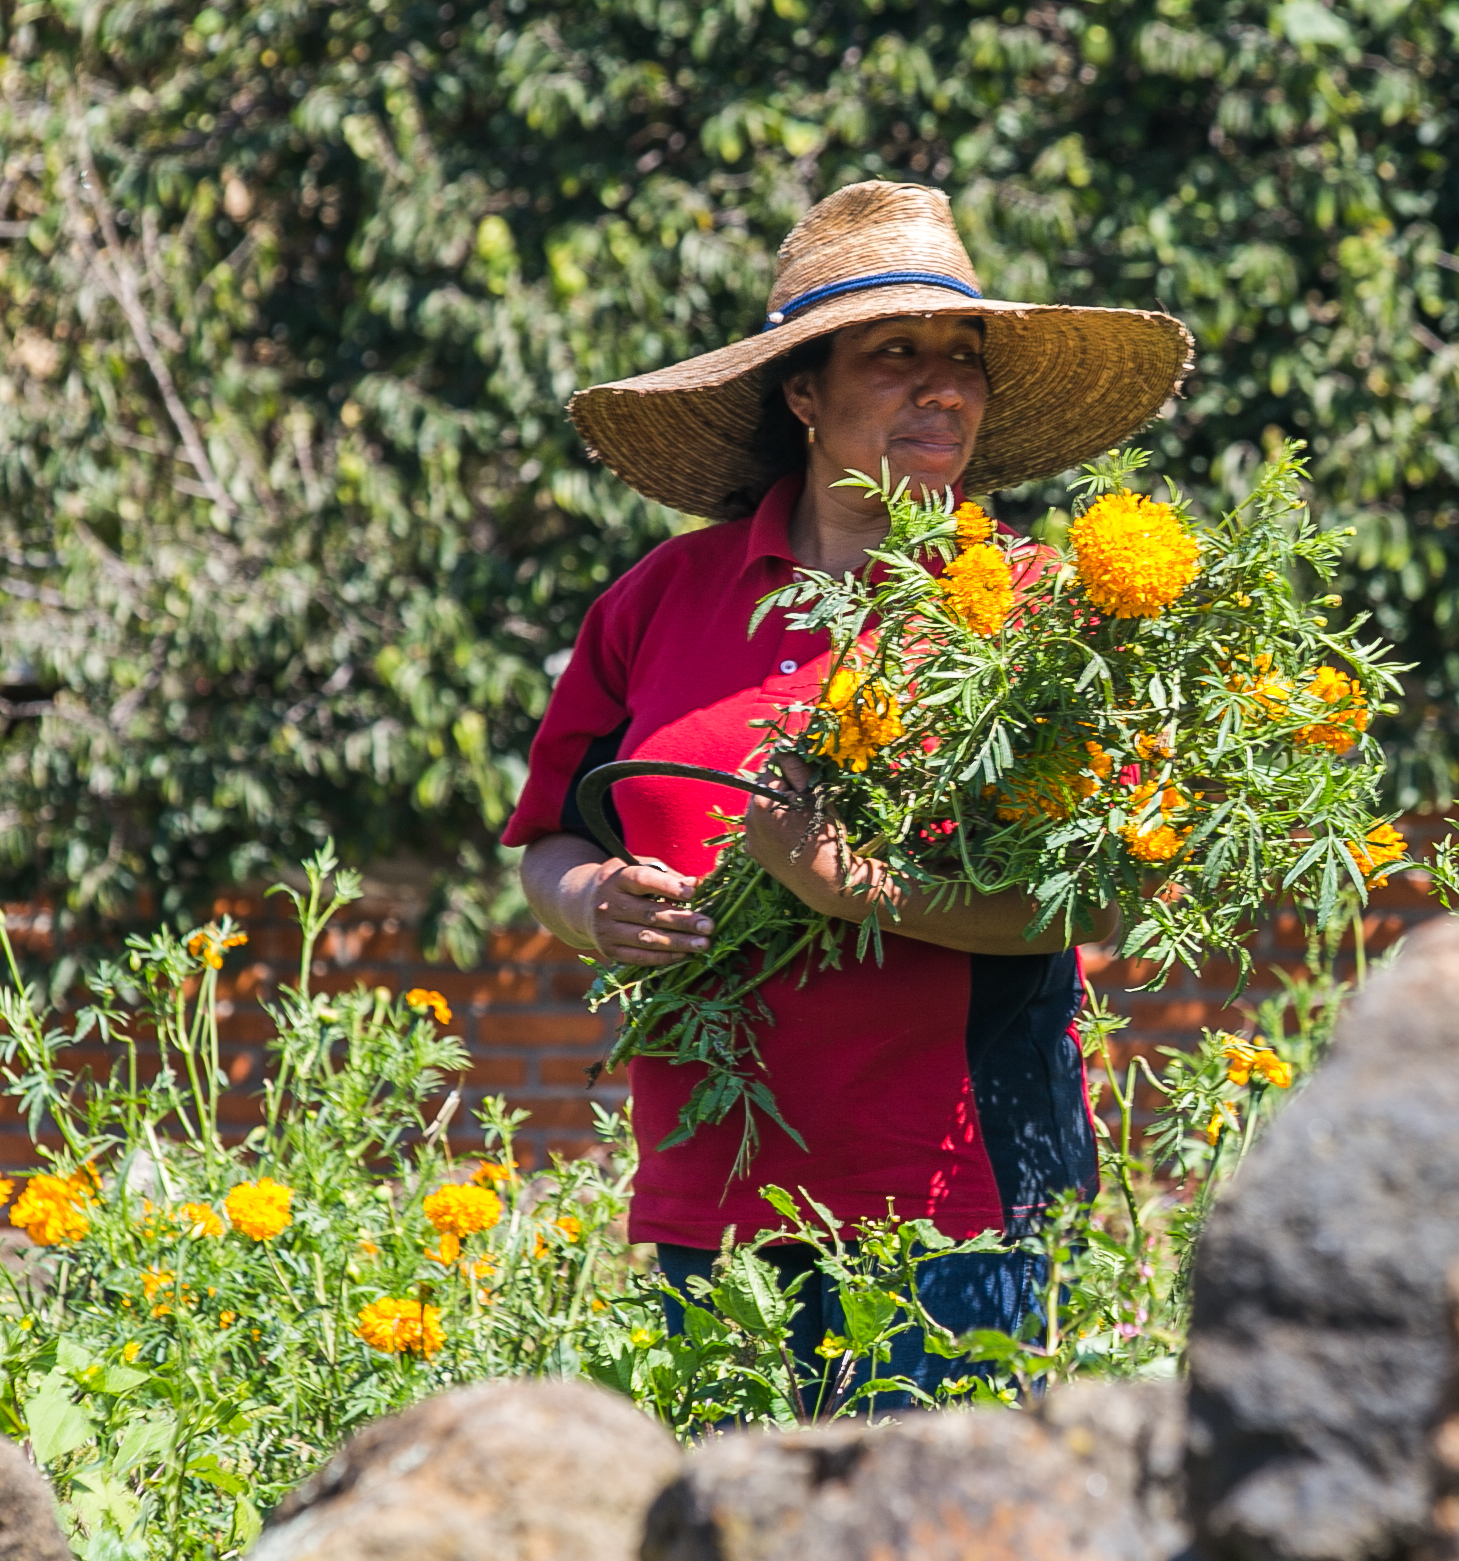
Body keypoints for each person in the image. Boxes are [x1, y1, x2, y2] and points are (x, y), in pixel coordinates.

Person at [504, 181, 1193, 1405]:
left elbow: (1094, 898)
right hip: (711, 1187)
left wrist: (840, 881)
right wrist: (592, 901)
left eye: (963, 356)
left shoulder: (1036, 616)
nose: (943, 384)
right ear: (803, 393)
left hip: (951, 1196)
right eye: (895, 354)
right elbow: (549, 838)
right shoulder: (664, 598)